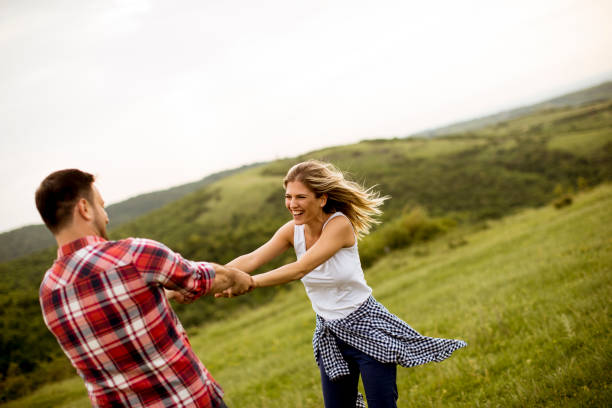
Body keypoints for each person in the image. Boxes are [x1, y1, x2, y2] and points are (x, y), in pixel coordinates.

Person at [219, 160, 467, 408]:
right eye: (288, 197)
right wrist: (206, 278)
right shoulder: (291, 231)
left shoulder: (339, 225)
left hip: (367, 326)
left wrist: (250, 282)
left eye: (301, 197)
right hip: (330, 333)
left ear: (322, 199)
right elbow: (251, 258)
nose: (292, 204)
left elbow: (300, 268)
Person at [36, 169, 253, 408]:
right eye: (101, 206)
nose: (106, 217)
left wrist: (163, 292)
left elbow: (120, 314)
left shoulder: (48, 292)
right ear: (85, 208)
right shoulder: (134, 255)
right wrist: (236, 276)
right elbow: (205, 278)